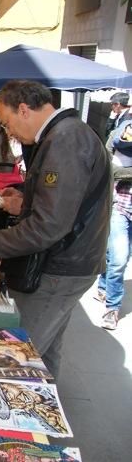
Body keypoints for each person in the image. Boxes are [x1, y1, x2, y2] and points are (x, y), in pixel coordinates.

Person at [0, 80, 111, 379]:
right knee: (45, 351)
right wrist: (24, 201)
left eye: (7, 123)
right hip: (66, 261)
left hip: (59, 266)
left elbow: (47, 227)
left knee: (18, 356)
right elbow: (61, 205)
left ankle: (15, 416)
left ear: (23, 109)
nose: (10, 133)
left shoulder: (65, 140)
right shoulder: (64, 136)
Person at [95, 120, 132, 329]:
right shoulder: (122, 133)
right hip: (121, 206)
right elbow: (111, 170)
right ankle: (112, 307)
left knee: (121, 256)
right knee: (119, 258)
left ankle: (103, 284)